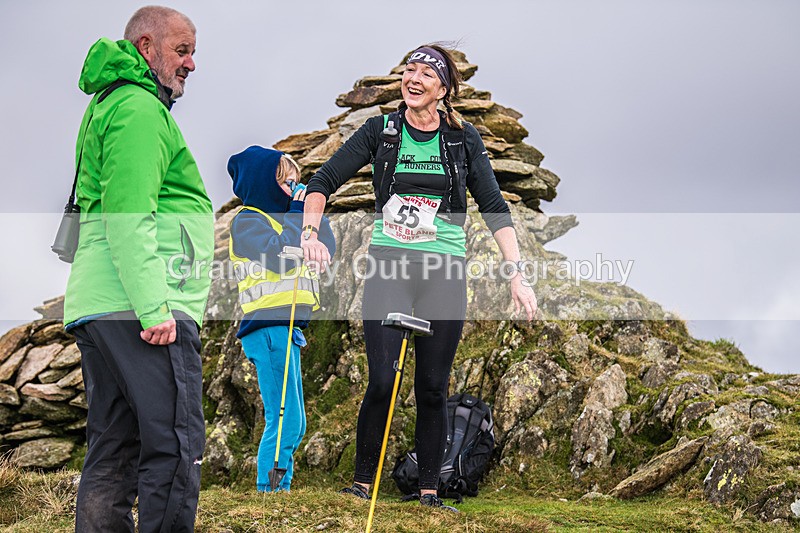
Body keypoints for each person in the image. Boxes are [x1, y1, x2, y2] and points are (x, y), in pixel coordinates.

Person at [301, 44, 538, 513]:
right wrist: (310, 231)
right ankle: (361, 485)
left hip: (444, 271)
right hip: (390, 265)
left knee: (433, 385)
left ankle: (430, 492)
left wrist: (517, 275)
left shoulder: (462, 139)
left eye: (425, 73)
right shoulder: (382, 132)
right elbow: (322, 180)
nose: (413, 79)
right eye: (409, 70)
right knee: (383, 380)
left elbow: (493, 206)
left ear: (444, 89)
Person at [62, 6, 213, 532]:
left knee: (115, 450)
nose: (191, 63)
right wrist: (155, 307)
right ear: (146, 47)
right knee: (174, 445)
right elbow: (130, 214)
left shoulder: (112, 103)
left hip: (102, 303)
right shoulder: (139, 109)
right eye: (182, 50)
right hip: (142, 305)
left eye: (193, 51)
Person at [227, 146, 336, 492]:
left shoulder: (288, 219)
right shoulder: (247, 222)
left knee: (297, 420)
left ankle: (279, 487)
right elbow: (282, 258)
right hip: (267, 327)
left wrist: (310, 217)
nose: (294, 190)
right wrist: (295, 212)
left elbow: (326, 247)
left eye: (296, 183)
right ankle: (270, 491)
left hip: (288, 329)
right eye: (287, 183)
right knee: (284, 418)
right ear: (264, 184)